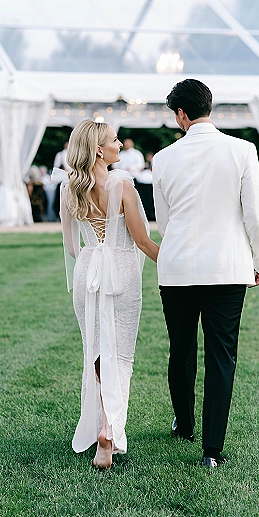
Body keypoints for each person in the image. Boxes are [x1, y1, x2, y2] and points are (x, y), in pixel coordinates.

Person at [152, 79, 259, 469]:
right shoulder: (242, 150)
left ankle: (184, 424)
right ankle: (211, 451)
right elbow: (255, 214)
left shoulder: (163, 158)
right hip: (227, 266)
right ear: (209, 107)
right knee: (222, 356)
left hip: (178, 267)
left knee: (181, 348)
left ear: (182, 115)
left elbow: (165, 222)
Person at [60, 120, 159, 470]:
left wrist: (93, 252)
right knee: (121, 358)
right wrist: (176, 265)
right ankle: (109, 431)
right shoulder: (122, 184)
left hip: (88, 272)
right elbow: (143, 241)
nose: (120, 146)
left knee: (97, 355)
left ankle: (104, 427)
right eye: (115, 141)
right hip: (121, 271)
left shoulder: (69, 187)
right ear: (100, 150)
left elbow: (72, 247)